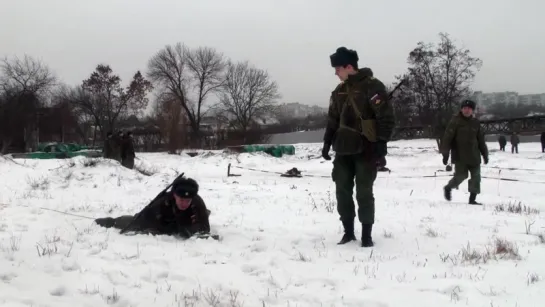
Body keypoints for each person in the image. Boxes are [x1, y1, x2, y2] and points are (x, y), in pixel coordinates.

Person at [321, 47, 395, 247]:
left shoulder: (372, 86)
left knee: (364, 192)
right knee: (342, 191)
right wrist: (327, 143)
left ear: (349, 66)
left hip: (366, 149)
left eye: (338, 68)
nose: (336, 72)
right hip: (342, 150)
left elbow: (386, 118)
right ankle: (348, 232)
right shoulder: (339, 91)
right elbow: (333, 120)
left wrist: (381, 144)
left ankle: (367, 235)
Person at [94, 177, 211, 238]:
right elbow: (142, 218)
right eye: (181, 200)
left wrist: (189, 230)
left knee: (201, 214)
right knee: (138, 222)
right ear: (175, 195)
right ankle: (112, 221)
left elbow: (205, 229)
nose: (185, 203)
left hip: (187, 220)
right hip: (166, 218)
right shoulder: (164, 201)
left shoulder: (197, 202)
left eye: (188, 200)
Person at [441, 99, 489, 205]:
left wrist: (485, 154)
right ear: (461, 109)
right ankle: (448, 188)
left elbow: (480, 140)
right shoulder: (455, 121)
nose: (467, 110)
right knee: (461, 176)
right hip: (460, 156)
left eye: (469, 109)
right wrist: (445, 153)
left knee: (476, 177)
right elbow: (447, 138)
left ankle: (472, 199)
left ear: (472, 110)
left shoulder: (475, 123)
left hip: (474, 156)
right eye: (465, 108)